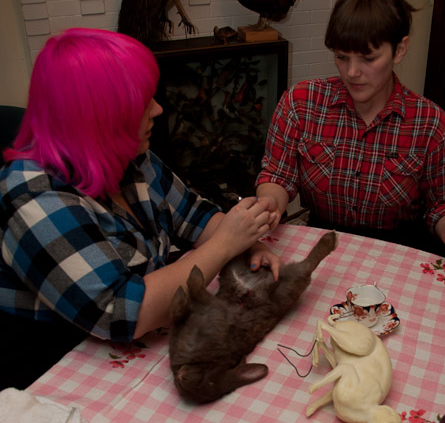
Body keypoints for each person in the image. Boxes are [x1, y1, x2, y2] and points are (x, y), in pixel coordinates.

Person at [0, 28, 279, 390]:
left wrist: (246, 239)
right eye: (142, 102)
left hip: (136, 344)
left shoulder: (130, 157)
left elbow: (196, 215)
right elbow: (124, 313)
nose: (159, 109)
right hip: (53, 364)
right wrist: (225, 245)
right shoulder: (34, 199)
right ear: (99, 117)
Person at [256, 0, 445, 257]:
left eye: (368, 58)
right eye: (341, 56)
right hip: (322, 244)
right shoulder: (301, 103)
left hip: (398, 252)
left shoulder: (430, 123)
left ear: (399, 50)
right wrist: (270, 202)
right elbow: (278, 176)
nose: (352, 72)